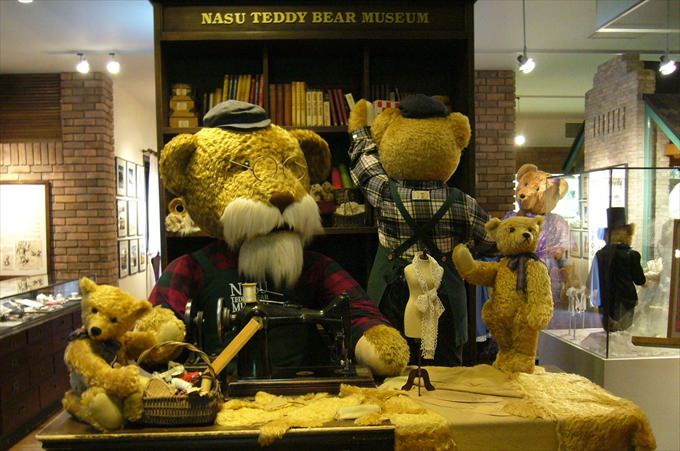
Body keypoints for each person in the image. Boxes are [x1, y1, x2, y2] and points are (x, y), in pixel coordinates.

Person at [348, 94, 495, 366]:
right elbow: (492, 242)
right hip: (444, 301)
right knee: (446, 374)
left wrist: (360, 132)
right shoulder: (463, 204)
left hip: (392, 296)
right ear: (456, 139)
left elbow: (363, 165)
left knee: (392, 366)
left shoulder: (384, 194)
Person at [592, 207, 646, 332]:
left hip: (605, 301)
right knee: (624, 334)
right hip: (626, 301)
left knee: (608, 335)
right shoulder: (632, 255)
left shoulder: (600, 255)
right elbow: (640, 280)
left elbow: (595, 282)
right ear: (627, 233)